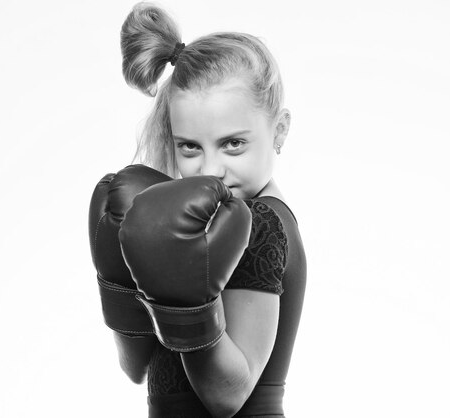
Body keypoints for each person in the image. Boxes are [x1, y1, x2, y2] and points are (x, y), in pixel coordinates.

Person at [89, 3, 306, 417]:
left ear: (278, 130)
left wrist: (185, 303)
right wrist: (118, 283)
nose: (211, 170)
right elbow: (137, 369)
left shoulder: (261, 224)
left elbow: (229, 396)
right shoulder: (192, 224)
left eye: (233, 144)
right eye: (190, 146)